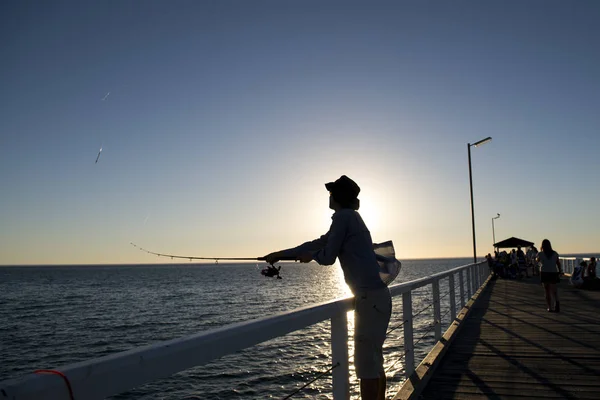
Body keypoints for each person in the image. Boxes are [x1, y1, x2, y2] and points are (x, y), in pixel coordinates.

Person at [263, 175, 391, 400]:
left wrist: (310, 257)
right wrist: (283, 254)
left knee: (366, 366)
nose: (329, 196)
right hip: (377, 297)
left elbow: (327, 255)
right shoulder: (351, 217)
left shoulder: (343, 217)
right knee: (374, 359)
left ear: (337, 196)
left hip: (369, 299)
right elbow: (320, 243)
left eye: (331, 193)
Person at [536, 239, 562, 312]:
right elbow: (558, 263)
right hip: (553, 272)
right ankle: (557, 304)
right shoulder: (555, 253)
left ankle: (549, 307)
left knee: (547, 291)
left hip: (544, 272)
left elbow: (537, 262)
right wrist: (560, 271)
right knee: (554, 290)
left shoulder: (540, 254)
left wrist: (540, 265)